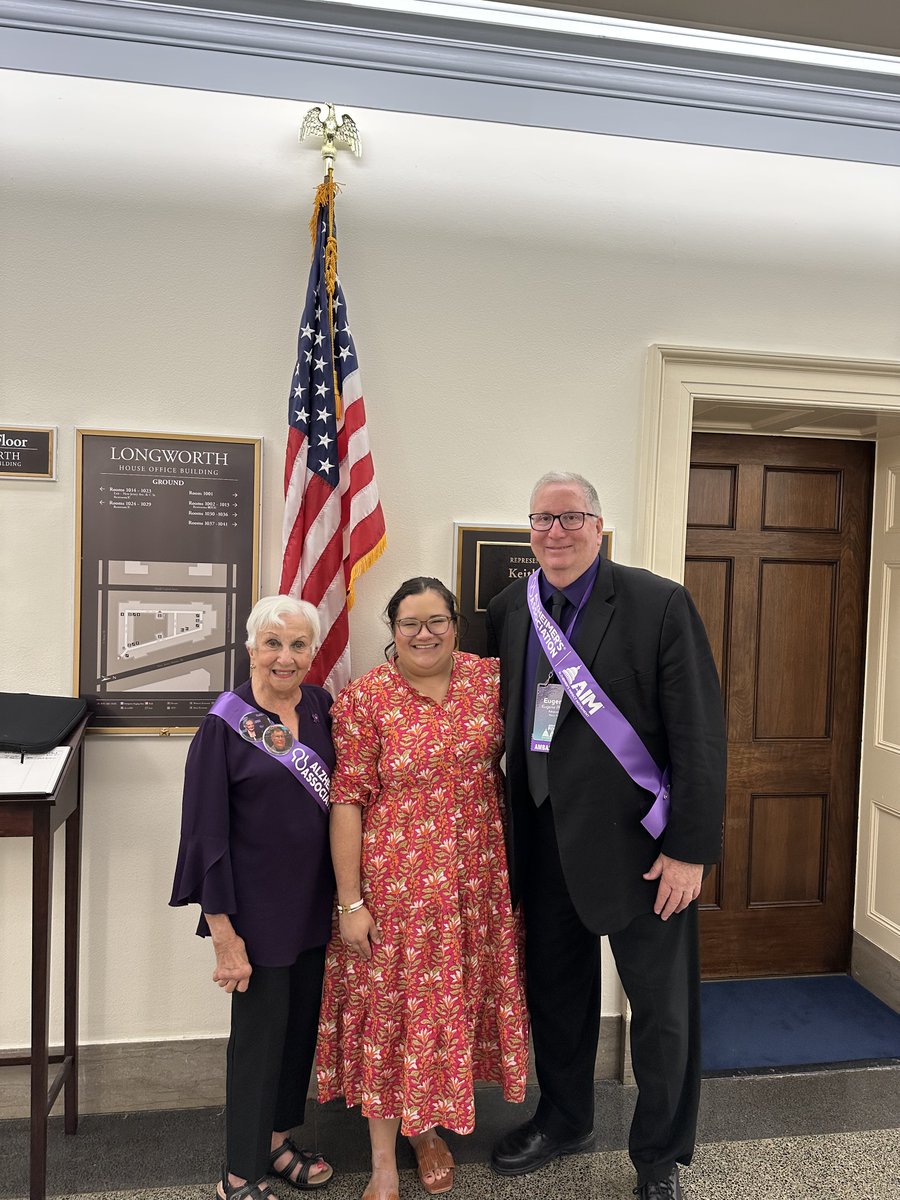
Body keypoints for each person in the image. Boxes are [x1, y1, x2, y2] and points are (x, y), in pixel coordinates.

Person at [486, 472, 726, 1200]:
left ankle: (659, 1159)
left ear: (598, 524)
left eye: (569, 518)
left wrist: (689, 849)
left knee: (660, 1012)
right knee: (557, 995)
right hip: (543, 839)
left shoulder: (657, 603)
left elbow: (700, 736)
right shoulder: (508, 610)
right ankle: (564, 1120)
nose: (554, 532)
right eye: (541, 520)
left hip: (643, 852)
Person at [316, 577, 529, 1200]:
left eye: (436, 620)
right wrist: (350, 902)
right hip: (396, 887)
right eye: (409, 623)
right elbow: (348, 801)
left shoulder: (489, 681)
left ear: (456, 624)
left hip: (476, 882)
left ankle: (428, 1130)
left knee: (447, 1011)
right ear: (392, 630)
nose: (424, 634)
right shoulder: (364, 700)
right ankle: (385, 1159)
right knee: (391, 1017)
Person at [170, 595, 336, 1200]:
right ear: (250, 649)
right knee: (259, 1041)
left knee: (297, 1036)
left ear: (313, 653)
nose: (284, 657)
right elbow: (203, 836)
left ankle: (276, 1141)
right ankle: (239, 1169)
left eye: (297, 645)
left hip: (315, 908)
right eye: (272, 643)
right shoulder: (223, 725)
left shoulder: (319, 707)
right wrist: (224, 936)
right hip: (257, 917)